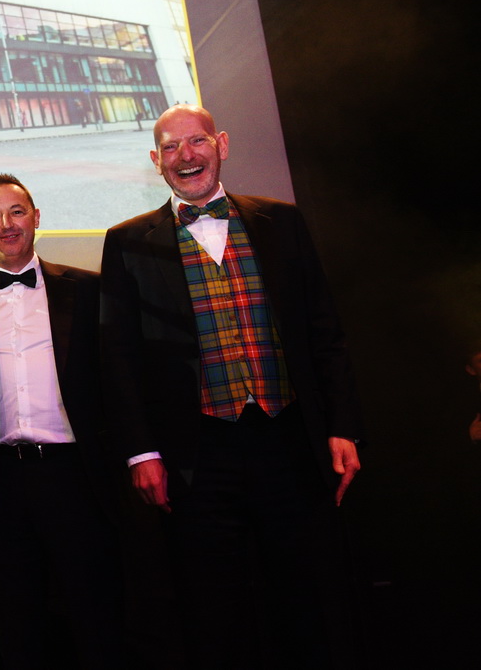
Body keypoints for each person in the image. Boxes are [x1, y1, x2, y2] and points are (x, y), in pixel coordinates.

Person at [100, 103, 365, 668]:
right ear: (155, 160)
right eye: (171, 148)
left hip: (287, 438)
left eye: (195, 142)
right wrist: (141, 450)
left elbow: (325, 331)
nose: (185, 156)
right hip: (196, 451)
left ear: (221, 143)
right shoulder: (125, 241)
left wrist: (343, 427)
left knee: (307, 598)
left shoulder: (281, 222)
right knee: (213, 610)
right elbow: (119, 359)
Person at [0, 174, 123, 669]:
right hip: (3, 479)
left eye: (16, 211)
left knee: (95, 615)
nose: (6, 224)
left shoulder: (86, 289)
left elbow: (115, 382)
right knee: (17, 622)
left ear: (36, 217)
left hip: (77, 473)